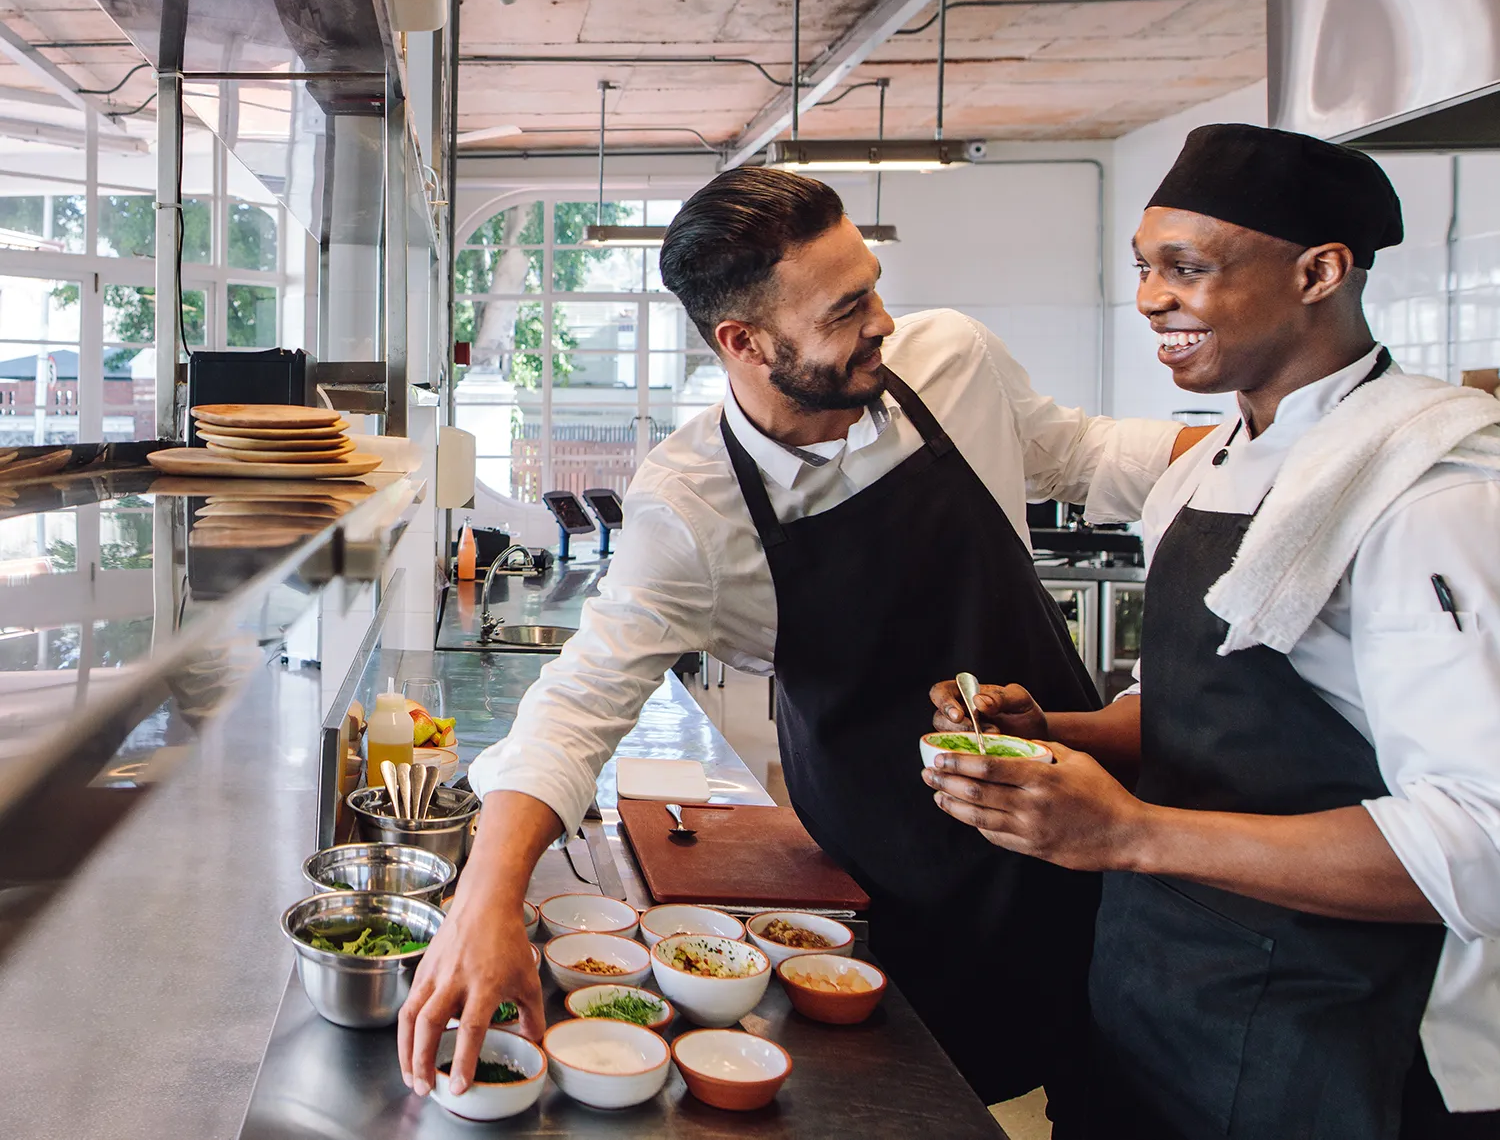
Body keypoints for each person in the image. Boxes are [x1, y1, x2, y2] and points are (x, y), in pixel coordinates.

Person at [399, 167, 1181, 1117]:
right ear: (744, 341)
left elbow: (1085, 455)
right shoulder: (690, 506)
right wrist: (488, 892)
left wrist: (1280, 443)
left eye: (875, 285)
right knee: (921, 1110)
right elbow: (580, 702)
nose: (884, 321)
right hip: (905, 895)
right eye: (848, 309)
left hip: (1102, 837)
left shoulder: (952, 362)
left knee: (1131, 1101)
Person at [925, 124, 1500, 1138]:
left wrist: (1132, 833)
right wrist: (1057, 732)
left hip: (1333, 1024)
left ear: (1320, 271)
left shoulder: (1432, 490)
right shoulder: (1202, 470)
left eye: (1187, 269)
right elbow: (1196, 710)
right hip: (1156, 986)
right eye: (1145, 268)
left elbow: (1483, 841)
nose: (1152, 298)